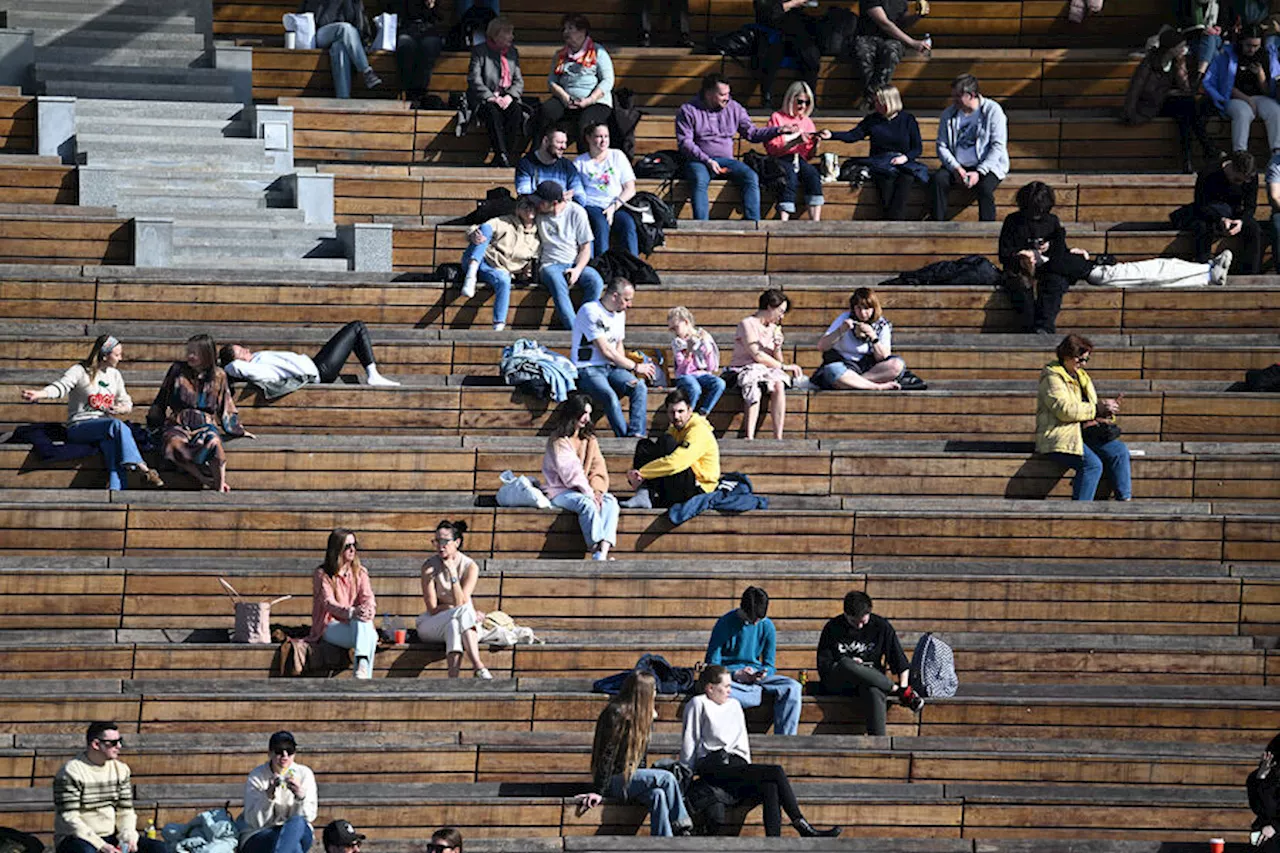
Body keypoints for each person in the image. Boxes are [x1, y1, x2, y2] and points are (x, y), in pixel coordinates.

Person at [680, 665, 841, 837]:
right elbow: (690, 741)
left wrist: (747, 771)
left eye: (730, 686)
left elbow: (742, 742)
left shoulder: (734, 705)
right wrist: (685, 775)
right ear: (710, 688)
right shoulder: (698, 703)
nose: (730, 690)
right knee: (775, 771)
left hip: (736, 764)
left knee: (769, 784)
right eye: (725, 686)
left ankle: (774, 841)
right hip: (713, 763)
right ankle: (801, 824)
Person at [20, 334, 163, 491]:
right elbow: (60, 387)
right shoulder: (80, 370)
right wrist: (39, 394)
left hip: (104, 427)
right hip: (80, 426)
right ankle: (142, 467)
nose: (120, 358)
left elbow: (126, 401)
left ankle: (117, 491)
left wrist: (120, 408)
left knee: (112, 446)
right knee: (116, 426)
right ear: (104, 355)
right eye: (117, 354)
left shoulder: (115, 375)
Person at [577, 672, 694, 836]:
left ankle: (665, 842)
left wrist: (647, 723)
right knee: (667, 778)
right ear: (643, 693)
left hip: (631, 778)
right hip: (614, 779)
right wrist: (599, 790)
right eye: (653, 690)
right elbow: (607, 755)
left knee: (658, 795)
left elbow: (640, 756)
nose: (655, 693)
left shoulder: (642, 715)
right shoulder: (616, 714)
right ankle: (682, 827)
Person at [676, 73, 792, 222]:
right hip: (700, 160)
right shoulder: (688, 110)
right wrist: (707, 160)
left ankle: (753, 223)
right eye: (722, 94)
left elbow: (752, 134)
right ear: (709, 93)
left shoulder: (734, 108)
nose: (727, 98)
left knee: (750, 177)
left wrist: (778, 130)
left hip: (727, 161)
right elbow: (685, 142)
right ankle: (702, 225)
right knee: (699, 179)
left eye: (728, 94)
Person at [146, 334, 251, 493]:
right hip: (179, 422)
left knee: (214, 442)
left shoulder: (219, 375)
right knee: (172, 443)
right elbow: (162, 397)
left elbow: (226, 404)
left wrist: (238, 429)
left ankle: (220, 483)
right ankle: (204, 479)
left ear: (206, 354)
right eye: (189, 351)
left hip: (205, 423)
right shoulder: (177, 370)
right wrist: (154, 421)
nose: (190, 356)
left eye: (195, 353)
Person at [1035, 333, 1132, 501]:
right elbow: (1064, 410)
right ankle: (1080, 511)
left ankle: (1125, 501)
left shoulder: (1082, 377)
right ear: (1066, 356)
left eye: (1087, 360)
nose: (1083, 364)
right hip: (1059, 436)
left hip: (1083, 434)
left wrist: (1105, 413)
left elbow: (1091, 408)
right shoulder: (1052, 377)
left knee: (1119, 451)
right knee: (1092, 465)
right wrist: (1096, 409)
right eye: (1080, 359)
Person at [817, 591, 924, 738]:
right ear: (845, 614)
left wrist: (905, 685)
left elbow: (900, 662)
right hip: (841, 681)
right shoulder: (832, 628)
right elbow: (824, 667)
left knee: (874, 690)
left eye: (863, 621)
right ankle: (897, 690)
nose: (860, 626)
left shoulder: (881, 626)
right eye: (854, 622)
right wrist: (901, 690)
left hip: (871, 682)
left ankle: (878, 743)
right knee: (847, 663)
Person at [998, 181, 1094, 335]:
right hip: (1021, 268)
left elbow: (1060, 251)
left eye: (1040, 212)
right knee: (1021, 285)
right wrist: (1021, 255)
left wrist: (1057, 249)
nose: (1036, 216)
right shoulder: (1013, 221)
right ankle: (1029, 327)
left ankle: (1044, 327)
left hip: (1047, 267)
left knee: (1055, 283)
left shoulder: (1052, 221)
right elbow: (1004, 254)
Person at [53, 722, 165, 853]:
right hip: (77, 838)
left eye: (120, 741)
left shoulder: (121, 770)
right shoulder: (71, 772)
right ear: (96, 744)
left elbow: (125, 810)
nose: (119, 746)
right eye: (113, 742)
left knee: (158, 848)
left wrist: (128, 837)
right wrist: (101, 845)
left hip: (111, 836)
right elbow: (70, 819)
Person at [704, 586, 801, 737]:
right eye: (752, 620)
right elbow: (712, 665)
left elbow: (770, 664)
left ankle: (785, 739)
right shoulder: (724, 623)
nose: (756, 623)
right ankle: (751, 695)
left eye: (759, 620)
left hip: (757, 678)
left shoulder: (767, 625)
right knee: (721, 692)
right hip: (732, 679)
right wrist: (735, 674)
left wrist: (762, 673)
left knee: (793, 687)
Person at [823, 85, 929, 220]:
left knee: (906, 179)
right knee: (885, 179)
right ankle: (892, 220)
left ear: (889, 102)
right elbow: (853, 135)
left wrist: (905, 157)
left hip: (903, 164)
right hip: (881, 163)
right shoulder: (872, 120)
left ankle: (895, 220)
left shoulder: (908, 120)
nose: (876, 105)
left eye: (879, 101)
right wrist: (832, 135)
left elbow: (917, 148)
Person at [218, 321, 400, 397]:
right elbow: (233, 367)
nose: (247, 350)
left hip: (316, 363)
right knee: (357, 328)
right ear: (239, 362)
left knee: (355, 329)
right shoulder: (257, 369)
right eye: (242, 352)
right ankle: (373, 375)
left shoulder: (256, 359)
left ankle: (373, 374)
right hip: (320, 371)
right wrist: (227, 364)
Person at [1123, 28, 1217, 173]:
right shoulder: (1150, 63)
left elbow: (1186, 89)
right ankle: (1208, 150)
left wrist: (1180, 68)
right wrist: (1130, 114)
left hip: (1167, 102)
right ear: (1171, 48)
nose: (1184, 50)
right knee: (1188, 108)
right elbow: (1135, 88)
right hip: (1150, 105)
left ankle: (1188, 160)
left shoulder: (1176, 62)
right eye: (1181, 47)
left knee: (1186, 111)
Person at [571, 278, 654, 438]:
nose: (629, 305)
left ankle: (637, 435)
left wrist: (627, 373)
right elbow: (606, 350)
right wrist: (635, 367)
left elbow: (618, 344)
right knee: (609, 396)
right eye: (627, 299)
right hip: (588, 368)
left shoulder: (619, 314)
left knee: (639, 387)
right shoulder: (590, 310)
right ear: (614, 296)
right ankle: (625, 441)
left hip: (611, 367)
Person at [542, 393, 620, 561]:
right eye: (583, 413)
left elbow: (597, 467)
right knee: (586, 504)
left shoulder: (590, 439)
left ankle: (603, 553)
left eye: (589, 413)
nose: (586, 418)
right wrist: (590, 494)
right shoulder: (558, 440)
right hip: (560, 491)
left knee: (610, 501)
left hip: (586, 490)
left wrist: (598, 491)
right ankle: (595, 547)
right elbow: (571, 472)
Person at [725, 289, 804, 441]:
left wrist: (778, 347)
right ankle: (749, 435)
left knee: (779, 384)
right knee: (753, 383)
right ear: (769, 307)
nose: (781, 317)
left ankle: (778, 436)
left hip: (767, 370)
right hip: (743, 368)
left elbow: (777, 359)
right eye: (780, 311)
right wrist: (784, 367)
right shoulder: (746, 324)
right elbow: (756, 354)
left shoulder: (774, 329)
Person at [416, 520, 491, 679]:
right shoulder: (429, 567)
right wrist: (457, 608)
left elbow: (460, 601)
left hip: (456, 620)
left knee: (454, 624)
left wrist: (453, 574)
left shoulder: (470, 566)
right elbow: (433, 608)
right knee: (464, 611)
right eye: (437, 541)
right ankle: (478, 665)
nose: (440, 545)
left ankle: (453, 679)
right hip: (432, 622)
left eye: (445, 541)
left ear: (457, 542)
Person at [624, 387, 720, 509]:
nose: (676, 416)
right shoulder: (674, 429)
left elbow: (676, 463)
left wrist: (642, 473)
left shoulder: (699, 431)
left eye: (681, 411)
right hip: (680, 483)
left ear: (689, 410)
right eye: (672, 412)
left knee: (666, 441)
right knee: (644, 445)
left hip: (700, 488)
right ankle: (644, 493)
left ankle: (646, 492)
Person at [930, 74, 1008, 222]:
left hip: (987, 165)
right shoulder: (949, 114)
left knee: (984, 188)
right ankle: (937, 224)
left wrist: (980, 171)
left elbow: (997, 146)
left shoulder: (993, 111)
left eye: (957, 96)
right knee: (938, 180)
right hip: (958, 165)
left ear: (971, 95)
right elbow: (942, 145)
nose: (954, 100)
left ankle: (987, 229)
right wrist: (956, 168)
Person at [460, 194, 540, 330]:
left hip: (500, 269)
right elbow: (482, 228)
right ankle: (471, 275)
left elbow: (531, 261)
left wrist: (525, 271)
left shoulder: (538, 236)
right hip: (482, 259)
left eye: (532, 206)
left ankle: (499, 326)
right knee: (484, 230)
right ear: (517, 210)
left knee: (504, 279)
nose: (529, 209)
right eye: (524, 206)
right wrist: (472, 233)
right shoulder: (506, 222)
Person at [534, 180, 605, 330]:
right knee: (557, 282)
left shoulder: (576, 212)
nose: (537, 204)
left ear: (554, 203)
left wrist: (577, 270)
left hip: (573, 262)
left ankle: (585, 323)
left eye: (541, 202)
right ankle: (575, 330)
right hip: (549, 264)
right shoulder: (537, 214)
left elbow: (585, 248)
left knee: (595, 281)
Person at [536, 15, 614, 150]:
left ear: (582, 31)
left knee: (586, 124)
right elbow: (552, 81)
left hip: (595, 102)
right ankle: (539, 156)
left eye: (570, 28)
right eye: (564, 29)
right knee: (546, 112)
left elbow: (608, 80)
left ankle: (584, 163)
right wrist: (565, 97)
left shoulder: (597, 51)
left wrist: (590, 100)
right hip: (566, 99)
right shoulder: (560, 54)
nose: (565, 32)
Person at [308, 528, 378, 679]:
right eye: (347, 546)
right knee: (371, 636)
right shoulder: (323, 574)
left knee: (366, 624)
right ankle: (363, 672)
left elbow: (368, 597)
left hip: (355, 625)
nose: (352, 549)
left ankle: (361, 668)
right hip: (329, 625)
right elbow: (328, 603)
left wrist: (369, 610)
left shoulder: (360, 572)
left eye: (355, 545)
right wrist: (352, 612)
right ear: (337, 549)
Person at [1202, 27, 1280, 153]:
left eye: (1256, 46)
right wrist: (1248, 100)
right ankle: (1240, 153)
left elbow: (1268, 91)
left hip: (1260, 97)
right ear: (1241, 42)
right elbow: (1224, 85)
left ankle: (1277, 154)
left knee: (1275, 111)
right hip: (1233, 97)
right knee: (1243, 113)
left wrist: (1260, 75)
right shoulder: (1228, 56)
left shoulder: (1267, 56)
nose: (1252, 49)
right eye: (1248, 45)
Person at [813, 288, 906, 391]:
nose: (862, 313)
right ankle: (876, 387)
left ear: (874, 308)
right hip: (845, 366)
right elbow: (821, 346)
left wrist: (873, 336)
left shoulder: (882, 325)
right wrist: (841, 330)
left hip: (870, 369)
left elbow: (883, 357)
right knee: (832, 370)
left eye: (867, 308)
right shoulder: (845, 318)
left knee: (897, 365)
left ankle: (853, 383)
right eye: (858, 308)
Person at [240, 731, 318, 853]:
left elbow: (309, 816)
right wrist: (268, 795)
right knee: (293, 846)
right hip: (261, 833)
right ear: (270, 753)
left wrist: (300, 797)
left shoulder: (304, 774)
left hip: (297, 831)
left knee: (297, 823)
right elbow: (255, 822)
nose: (285, 755)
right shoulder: (257, 776)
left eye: (290, 750)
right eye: (279, 751)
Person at [1189, 150, 1262, 274]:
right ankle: (1203, 269)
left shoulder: (1250, 177)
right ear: (1231, 168)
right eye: (1238, 179)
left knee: (1254, 229)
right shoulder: (1209, 172)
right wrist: (1220, 219)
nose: (1241, 183)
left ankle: (1250, 273)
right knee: (1202, 227)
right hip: (1210, 212)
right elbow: (1200, 204)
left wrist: (1241, 221)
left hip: (1235, 213)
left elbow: (1250, 206)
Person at [573, 122, 639, 256]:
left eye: (606, 136)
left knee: (628, 224)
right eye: (598, 136)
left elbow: (630, 188)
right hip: (592, 204)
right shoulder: (580, 162)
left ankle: (634, 266)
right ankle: (602, 267)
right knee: (600, 225)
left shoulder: (617, 156)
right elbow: (577, 190)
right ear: (589, 138)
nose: (603, 140)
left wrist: (614, 207)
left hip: (616, 204)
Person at [468, 17, 524, 168]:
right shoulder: (480, 51)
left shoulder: (512, 53)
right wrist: (491, 97)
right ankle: (501, 154)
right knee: (492, 113)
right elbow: (475, 79)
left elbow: (518, 81)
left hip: (506, 97)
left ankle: (507, 154)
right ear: (496, 34)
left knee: (516, 111)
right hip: (486, 99)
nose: (512, 37)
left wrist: (510, 96)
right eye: (508, 33)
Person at [764, 82, 824, 222]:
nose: (803, 106)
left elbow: (808, 155)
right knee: (789, 176)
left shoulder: (807, 121)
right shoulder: (777, 118)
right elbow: (772, 149)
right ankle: (784, 219)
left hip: (799, 159)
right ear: (791, 100)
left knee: (813, 175)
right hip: (781, 158)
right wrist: (794, 142)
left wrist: (815, 145)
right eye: (800, 101)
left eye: (807, 102)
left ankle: (815, 220)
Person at [298, 0, 382, 99]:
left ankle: (343, 99)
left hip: (345, 39)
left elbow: (360, 22)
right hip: (319, 35)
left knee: (339, 48)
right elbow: (319, 20)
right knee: (344, 28)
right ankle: (366, 71)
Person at [852, 0, 929, 97]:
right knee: (863, 52)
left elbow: (902, 23)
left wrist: (917, 16)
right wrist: (912, 43)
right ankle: (876, 96)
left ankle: (875, 97)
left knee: (891, 51)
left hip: (892, 39)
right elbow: (884, 23)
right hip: (868, 36)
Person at [754, 0, 820, 110]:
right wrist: (793, 3)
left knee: (811, 54)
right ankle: (767, 98)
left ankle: (808, 97)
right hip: (771, 33)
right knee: (772, 52)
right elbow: (766, 13)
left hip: (795, 34)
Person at [668, 306, 725, 417]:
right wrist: (689, 351)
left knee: (719, 383)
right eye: (672, 329)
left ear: (686, 322)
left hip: (702, 374)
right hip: (685, 376)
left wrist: (707, 347)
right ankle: (688, 416)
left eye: (676, 327)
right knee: (694, 388)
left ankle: (703, 413)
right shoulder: (677, 343)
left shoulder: (703, 337)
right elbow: (682, 370)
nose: (674, 332)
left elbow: (712, 367)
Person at [1085, 250, 1233, 287]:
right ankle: (1208, 268)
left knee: (1159, 280)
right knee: (1161, 269)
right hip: (1097, 273)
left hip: (1095, 270)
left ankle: (1207, 277)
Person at [395, 0, 443, 110]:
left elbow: (438, 17)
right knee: (405, 44)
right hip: (406, 28)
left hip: (428, 29)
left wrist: (431, 6)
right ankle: (408, 90)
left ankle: (420, 91)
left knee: (430, 45)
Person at [515, 128, 583, 199]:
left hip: (564, 207)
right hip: (537, 208)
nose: (564, 147)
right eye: (559, 142)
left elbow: (580, 195)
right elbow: (524, 194)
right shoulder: (526, 164)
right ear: (545, 141)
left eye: (565, 142)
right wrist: (557, 198)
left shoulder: (567, 166)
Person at [1248, 734, 1280, 852]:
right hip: (1266, 831)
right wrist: (1262, 778)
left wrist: (1276, 827)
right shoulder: (1254, 778)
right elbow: (1259, 809)